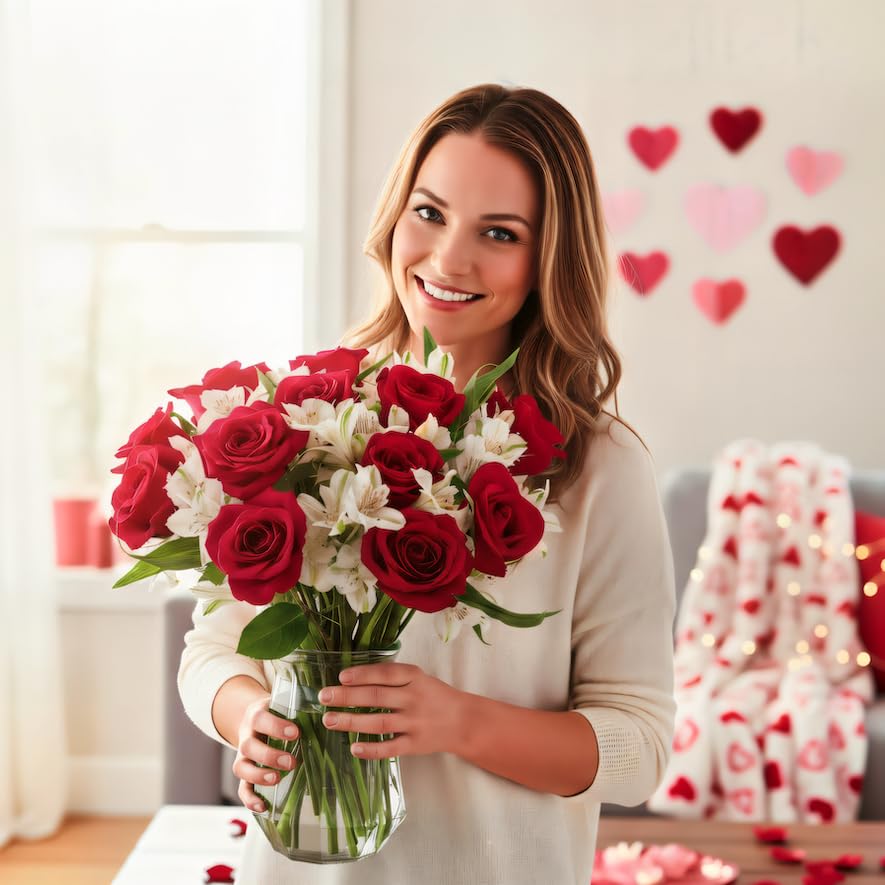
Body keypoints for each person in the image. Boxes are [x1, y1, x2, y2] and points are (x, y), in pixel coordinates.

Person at [178, 83, 677, 885]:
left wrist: (456, 721)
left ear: (550, 256)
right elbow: (210, 649)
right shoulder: (308, 418)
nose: (448, 259)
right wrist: (249, 719)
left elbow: (639, 749)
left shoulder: (599, 467)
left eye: (499, 232)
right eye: (429, 212)